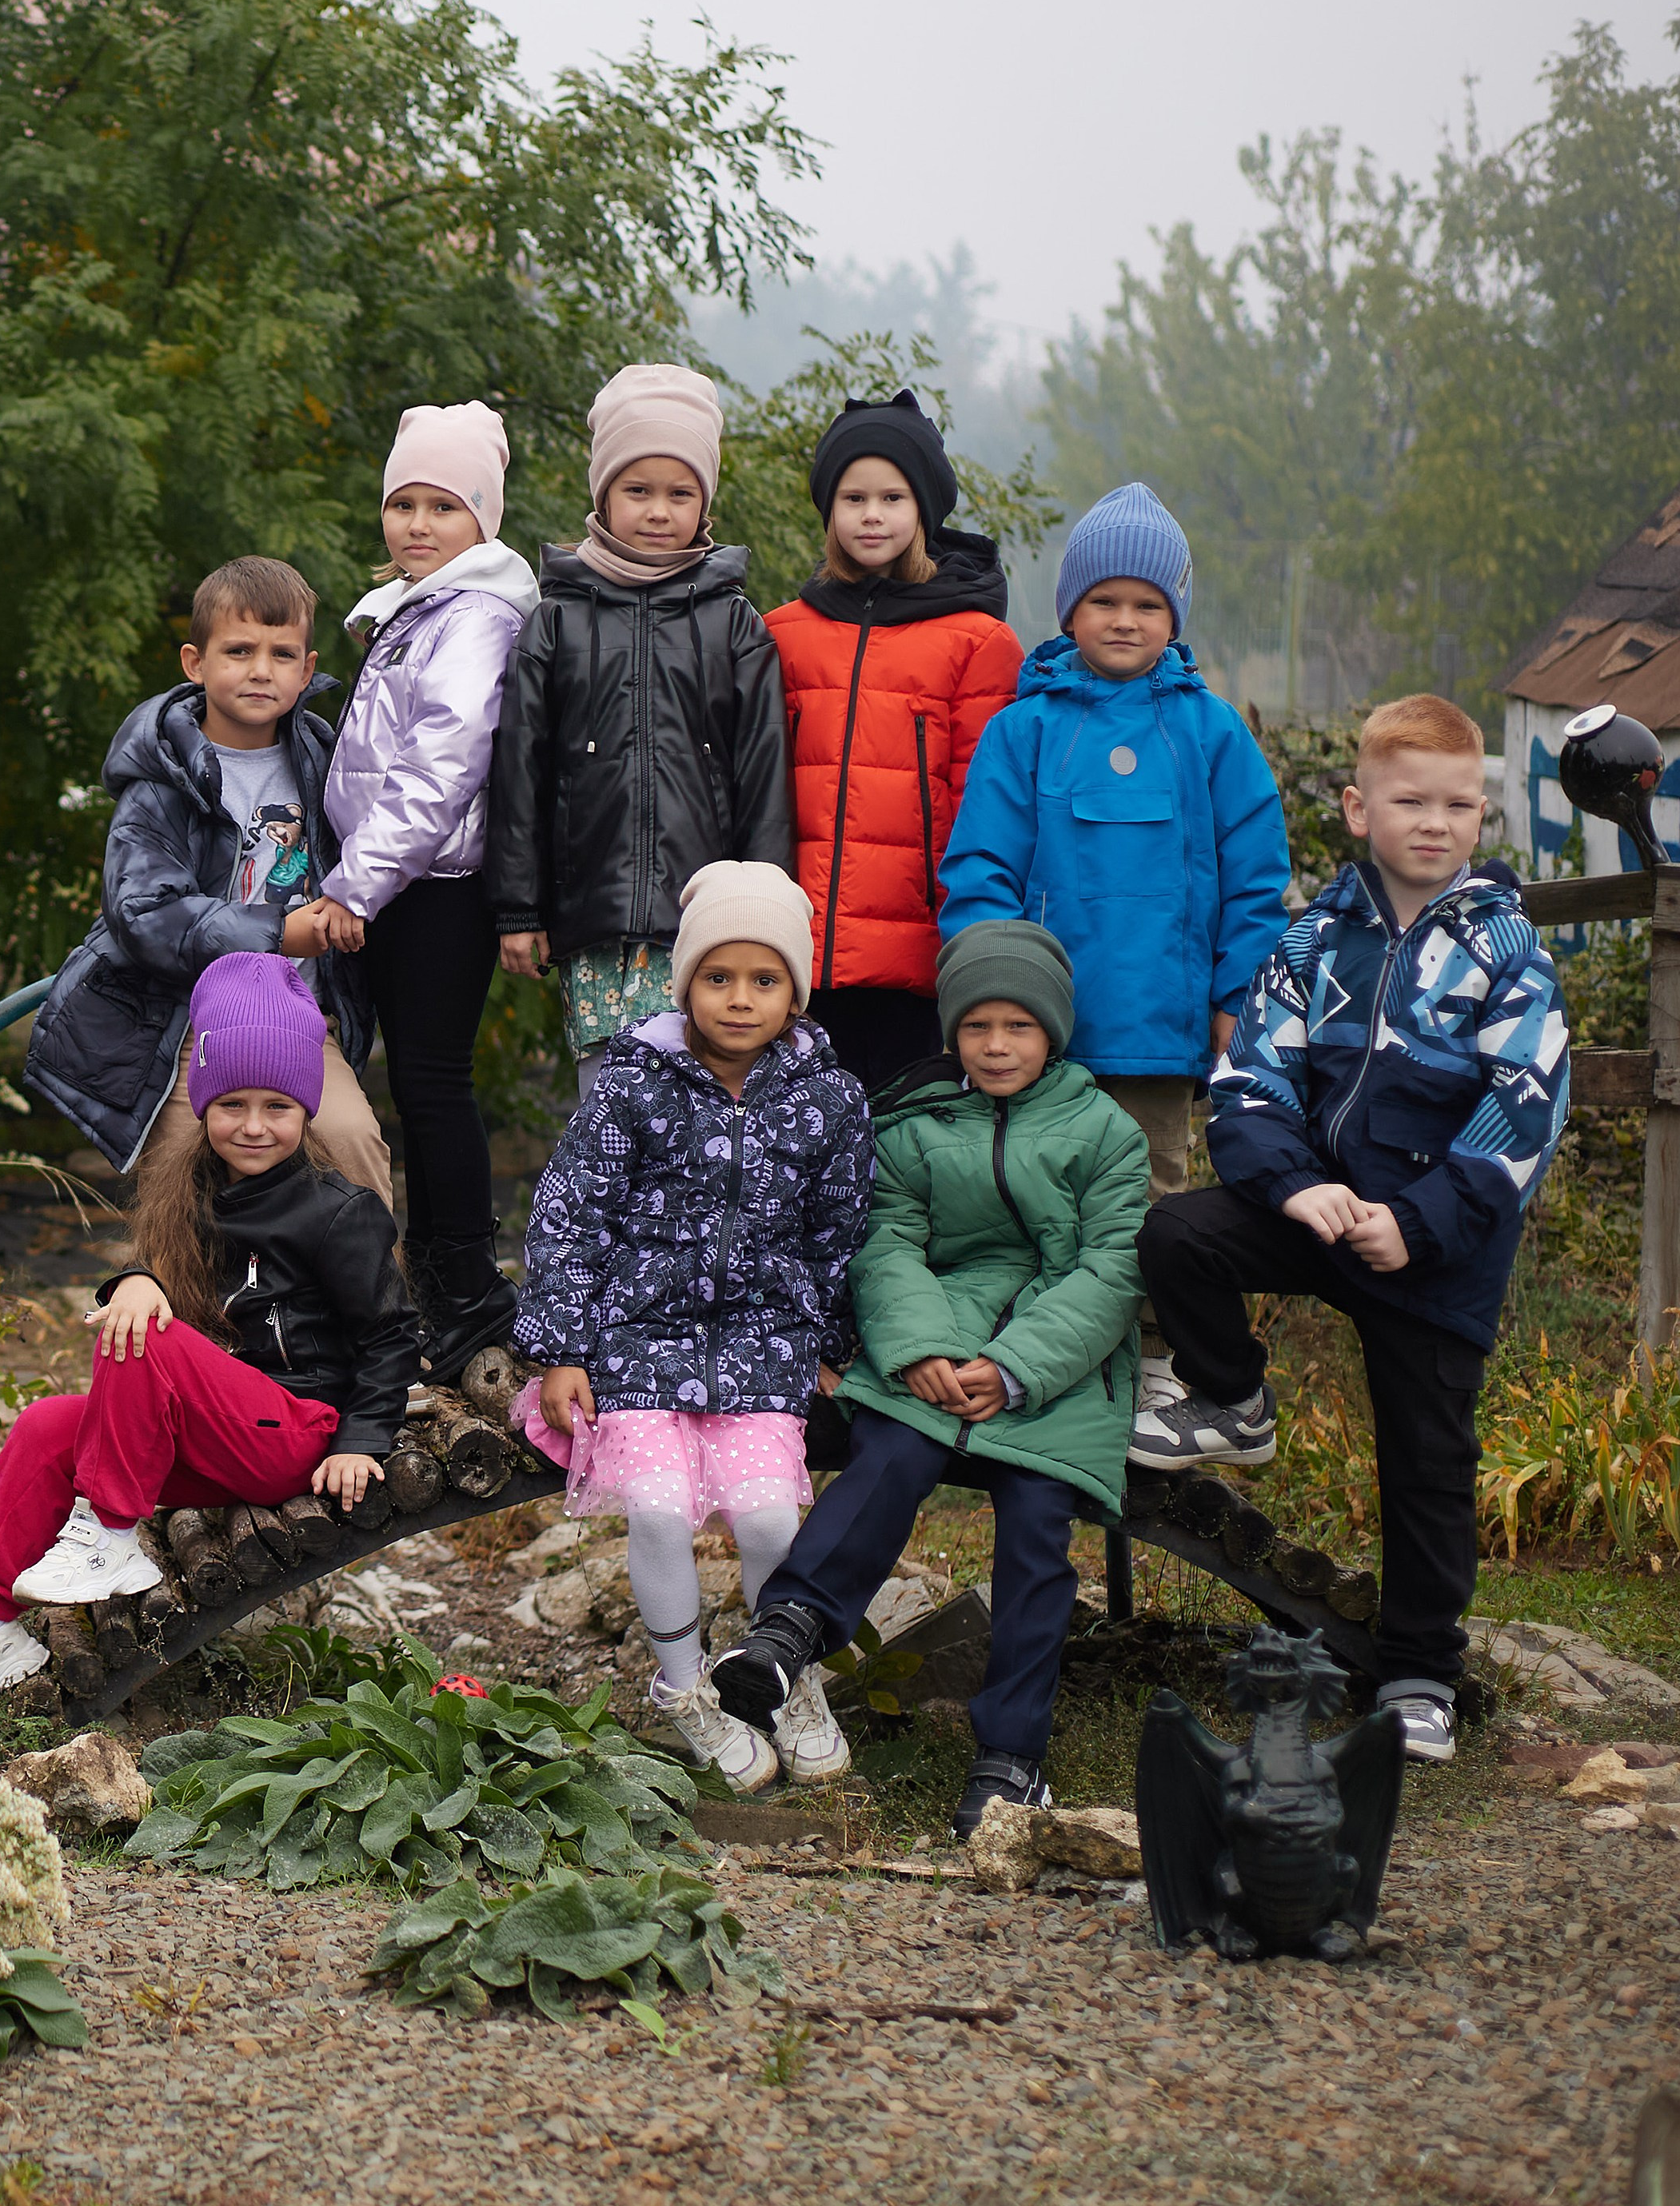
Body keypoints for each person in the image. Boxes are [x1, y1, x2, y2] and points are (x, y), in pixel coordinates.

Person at [1131, 693, 1570, 1766]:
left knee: (1427, 1463)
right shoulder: (1312, 939)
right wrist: (1293, 1189)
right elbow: (1249, 1081)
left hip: (1435, 1250)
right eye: (1409, 800)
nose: (1435, 823)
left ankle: (1422, 1673)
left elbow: (1525, 1104)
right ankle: (1231, 1397)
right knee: (1174, 1237)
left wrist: (1418, 1223)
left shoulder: (1508, 952)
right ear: (1356, 807)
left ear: (1483, 815)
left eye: (1460, 805)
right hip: (1321, 1211)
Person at [712, 921, 1147, 1839]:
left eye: (1018, 1027)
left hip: (1055, 1370)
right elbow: (886, 1240)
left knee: (1037, 1525)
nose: (996, 1045)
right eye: (978, 1025)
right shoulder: (912, 1123)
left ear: (1052, 1033)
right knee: (886, 1455)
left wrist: (1017, 1367)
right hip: (933, 1352)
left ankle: (1010, 1755)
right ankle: (786, 1631)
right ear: (951, 1031)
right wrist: (916, 1349)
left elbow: (1109, 1269)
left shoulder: (1102, 1130)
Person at [0, 955, 419, 1721]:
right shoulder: (192, 1189)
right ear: (202, 1103)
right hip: (213, 1428)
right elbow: (157, 1280)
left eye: (277, 1105)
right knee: (50, 1425)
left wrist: (361, 1440)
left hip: (294, 1434)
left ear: (307, 1107)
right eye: (232, 1102)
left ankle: (110, 1531)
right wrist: (134, 1281)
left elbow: (388, 1337)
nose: (252, 1124)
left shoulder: (339, 1211)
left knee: (153, 1335)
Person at [513, 862, 874, 1789]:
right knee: (661, 1511)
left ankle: (785, 1677)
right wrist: (559, 1349)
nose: (740, 999)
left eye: (763, 980)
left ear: (794, 989)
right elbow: (570, 1212)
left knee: (764, 1518)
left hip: (764, 1344)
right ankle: (685, 1694)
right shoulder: (634, 1084)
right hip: (636, 1341)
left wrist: (832, 1343)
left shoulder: (827, 1098)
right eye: (717, 977)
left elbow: (842, 1230)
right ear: (684, 984)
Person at [936, 481, 1289, 1402]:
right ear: (1068, 610)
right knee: (1038, 1202)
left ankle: (1154, 1364)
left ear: (1174, 615)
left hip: (1161, 1034)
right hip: (1044, 1034)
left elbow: (1255, 880)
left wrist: (1231, 1002)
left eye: (1146, 604)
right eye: (1103, 601)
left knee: (1149, 1204)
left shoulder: (1209, 732)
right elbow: (979, 872)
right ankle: (1043, 1365)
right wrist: (990, 998)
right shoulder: (1024, 731)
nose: (1124, 621)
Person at [25, 556, 393, 1199]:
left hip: (297, 1021)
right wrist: (277, 933)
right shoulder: (159, 781)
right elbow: (144, 912)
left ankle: (368, 1299)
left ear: (307, 671)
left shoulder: (332, 763)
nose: (260, 670)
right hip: (186, 1029)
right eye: (240, 650)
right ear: (196, 663)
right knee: (182, 1187)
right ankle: (175, 1296)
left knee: (353, 1144)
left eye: (283, 655)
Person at [488, 364, 793, 1103]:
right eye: (638, 491)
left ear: (705, 503)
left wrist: (770, 910)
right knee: (610, 1099)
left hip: (708, 919)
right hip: (592, 915)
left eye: (679, 493)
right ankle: (605, 1220)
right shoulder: (557, 620)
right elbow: (520, 769)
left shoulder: (734, 624)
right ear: (603, 495)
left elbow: (763, 776)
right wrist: (520, 909)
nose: (658, 511)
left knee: (711, 1096)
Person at [321, 404, 541, 1386]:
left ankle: (464, 1286)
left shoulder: (475, 617)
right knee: (413, 1084)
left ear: (481, 522)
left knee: (433, 1083)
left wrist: (354, 887)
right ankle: (434, 1276)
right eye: (402, 503)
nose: (416, 524)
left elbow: (439, 766)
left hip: (434, 882)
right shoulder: (415, 608)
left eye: (441, 507)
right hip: (399, 878)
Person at [766, 390, 1023, 1094]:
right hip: (799, 952)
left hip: (920, 961)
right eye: (853, 498)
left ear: (925, 510)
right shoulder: (782, 631)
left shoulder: (978, 641)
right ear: (828, 509)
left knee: (906, 1161)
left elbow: (986, 803)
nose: (871, 515)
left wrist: (974, 937)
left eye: (891, 498)